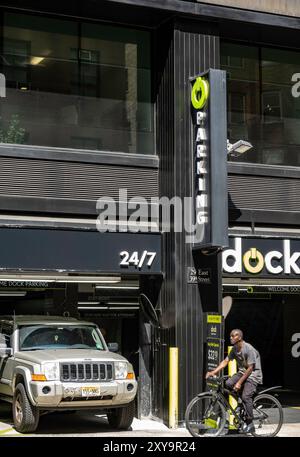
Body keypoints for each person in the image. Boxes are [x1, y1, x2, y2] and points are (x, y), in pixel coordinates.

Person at [205, 329, 263, 434]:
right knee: (228, 383)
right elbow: (225, 361)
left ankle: (250, 423)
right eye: (230, 336)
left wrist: (239, 383)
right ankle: (240, 403)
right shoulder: (235, 349)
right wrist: (213, 372)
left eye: (233, 336)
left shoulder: (248, 349)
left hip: (253, 375)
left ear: (239, 337)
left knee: (246, 397)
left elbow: (250, 368)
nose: (231, 337)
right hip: (242, 373)